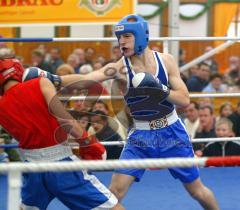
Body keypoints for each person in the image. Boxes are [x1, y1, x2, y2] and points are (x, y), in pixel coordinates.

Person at [24, 14, 219, 209]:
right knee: (114, 192)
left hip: (172, 132)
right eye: (119, 37)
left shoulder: (166, 61)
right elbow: (88, 79)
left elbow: (184, 100)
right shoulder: (119, 68)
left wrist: (159, 88)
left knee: (196, 190)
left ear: (141, 36)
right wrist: (52, 78)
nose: (121, 42)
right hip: (141, 136)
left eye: (127, 36)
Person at [0, 58, 123, 210]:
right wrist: (89, 144)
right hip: (60, 164)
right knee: (111, 207)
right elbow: (66, 121)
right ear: (19, 72)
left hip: (32, 168)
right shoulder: (40, 83)